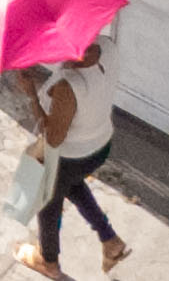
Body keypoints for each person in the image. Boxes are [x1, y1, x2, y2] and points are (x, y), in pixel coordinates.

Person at [7, 36, 130, 276]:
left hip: (71, 157)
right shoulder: (108, 48)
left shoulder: (69, 87)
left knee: (48, 203)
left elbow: (53, 137)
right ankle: (110, 240)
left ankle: (48, 261)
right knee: (72, 186)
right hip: (100, 145)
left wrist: (31, 94)